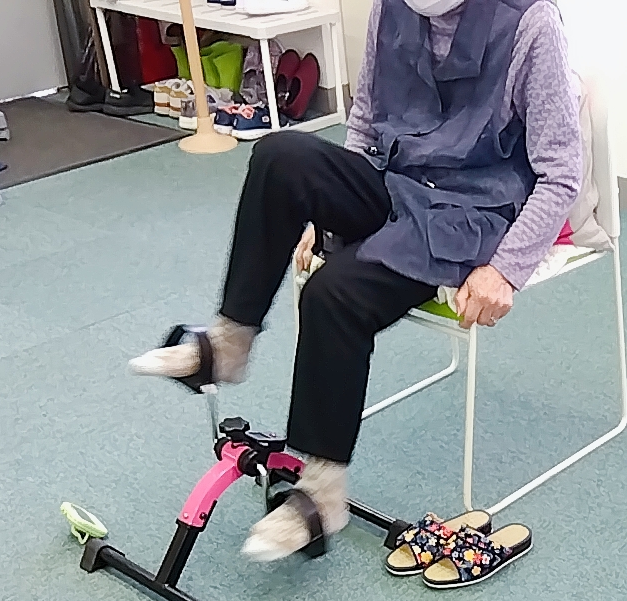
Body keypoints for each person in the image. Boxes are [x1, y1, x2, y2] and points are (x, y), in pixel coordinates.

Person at [131, 0, 582, 560]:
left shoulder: (531, 22)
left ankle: (321, 495)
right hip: (395, 182)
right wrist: (328, 212)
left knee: (333, 294)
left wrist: (506, 269)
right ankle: (228, 343)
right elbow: (366, 123)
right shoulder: (391, 8)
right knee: (280, 155)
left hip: (468, 212)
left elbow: (562, 172)